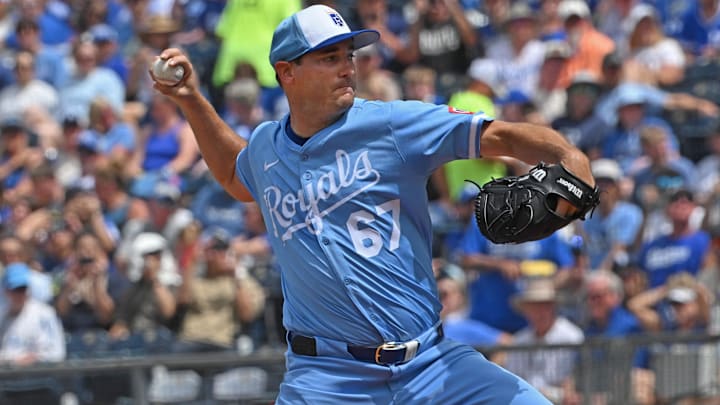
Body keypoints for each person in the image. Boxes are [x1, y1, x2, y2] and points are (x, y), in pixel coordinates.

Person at [150, 4, 595, 403]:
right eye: (330, 58)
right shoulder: (267, 146)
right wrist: (190, 99)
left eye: (349, 55)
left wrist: (571, 159)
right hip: (326, 379)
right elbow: (234, 174)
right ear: (287, 72)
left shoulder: (392, 124)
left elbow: (504, 135)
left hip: (431, 367)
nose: (347, 68)